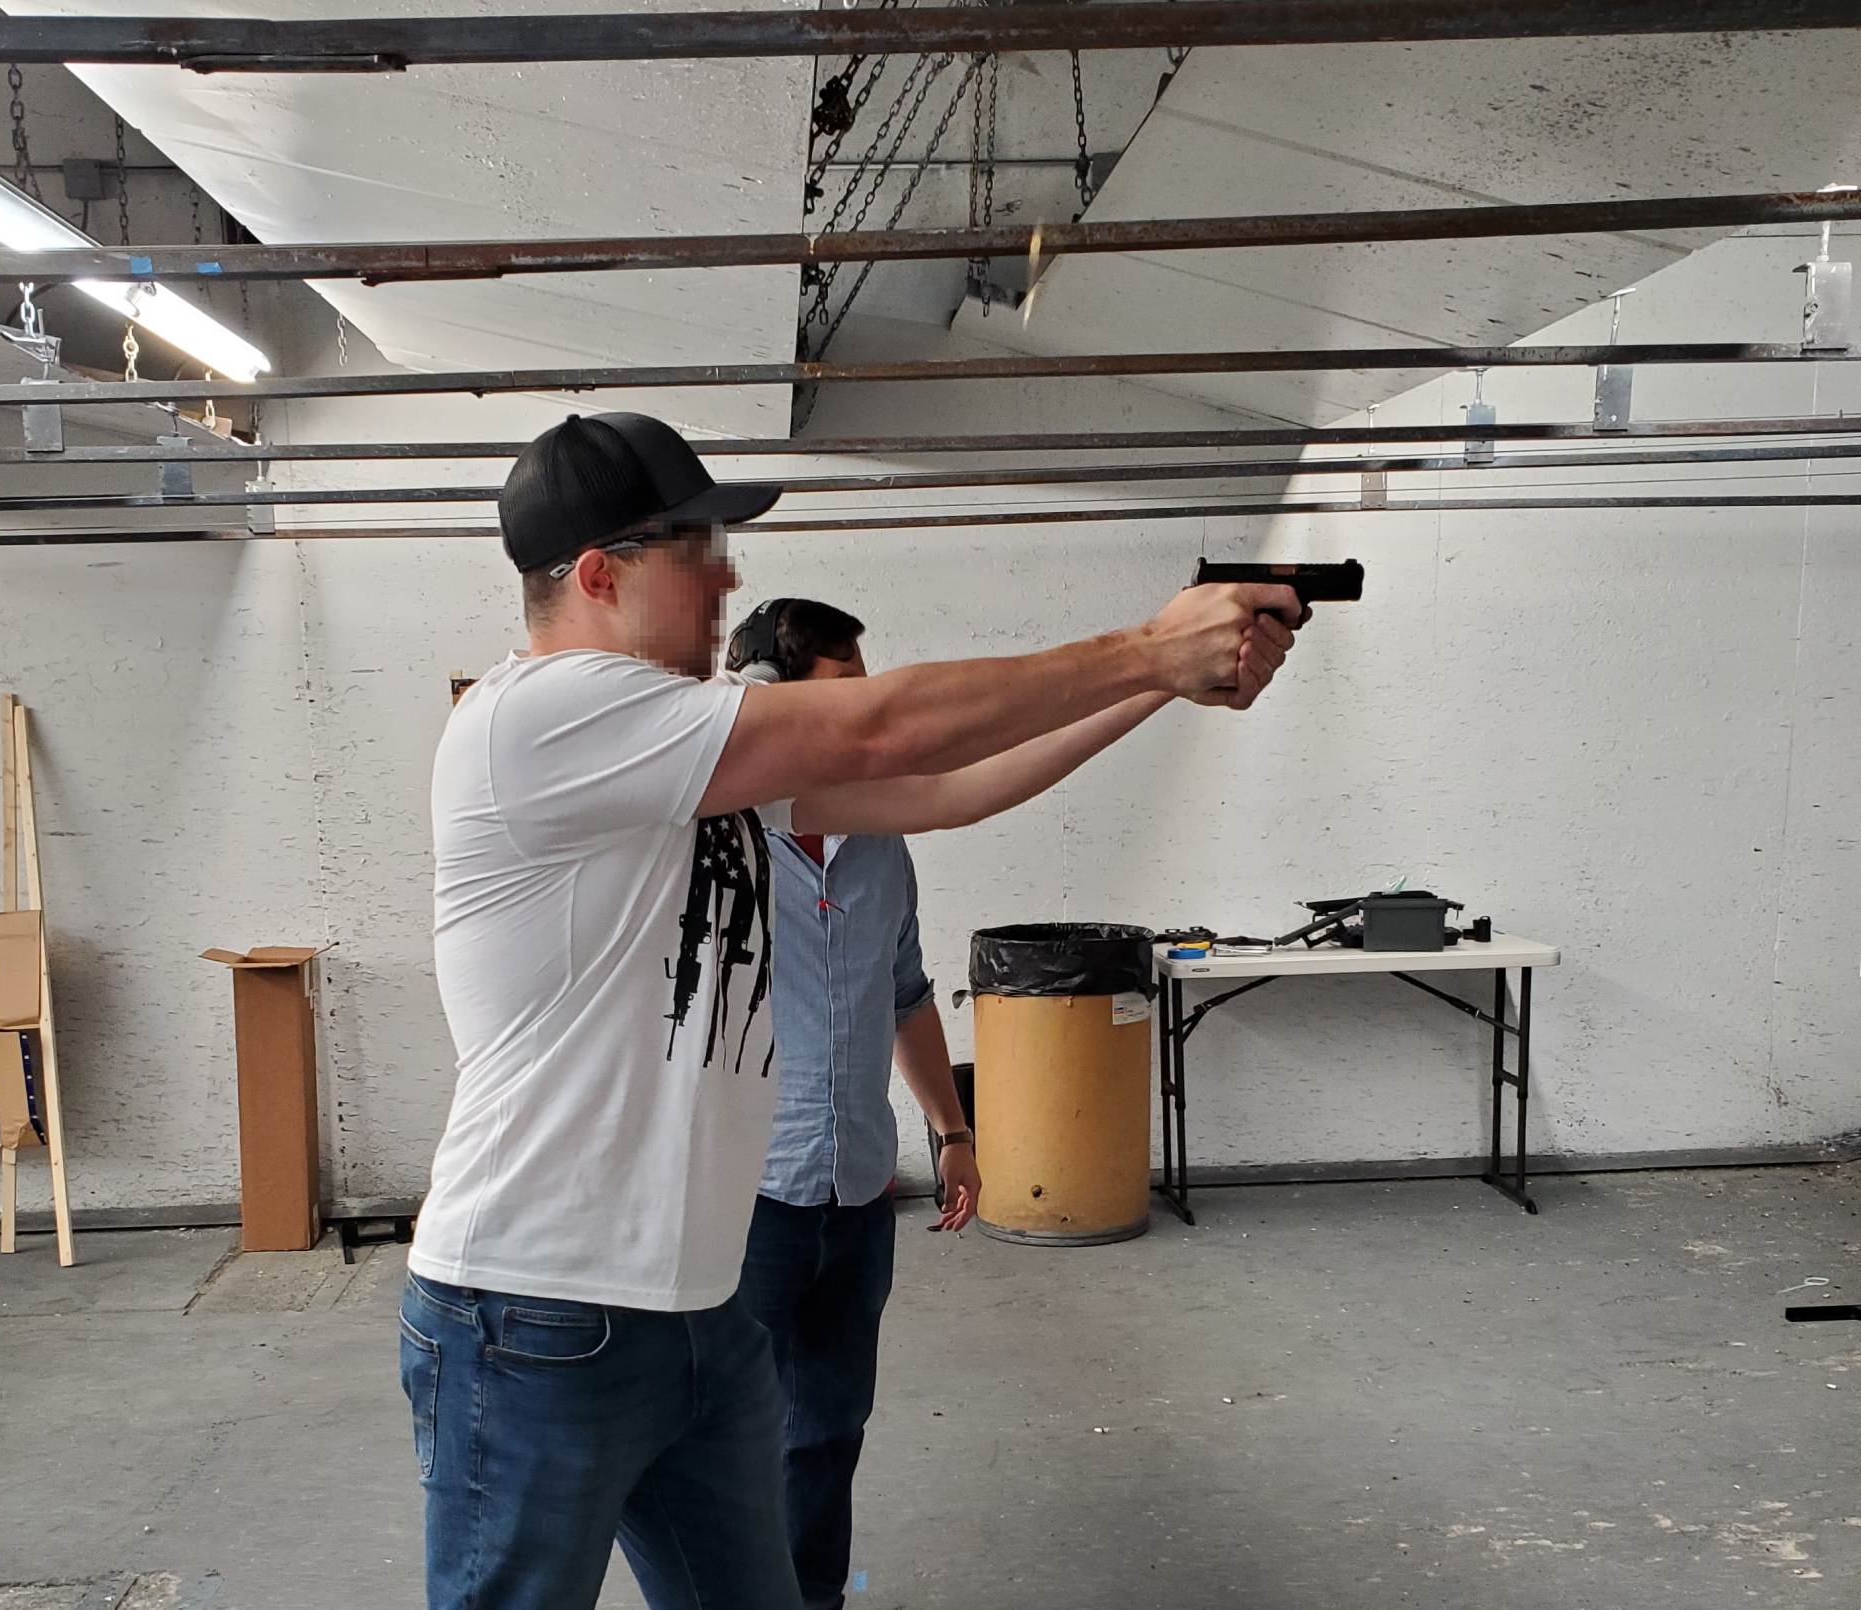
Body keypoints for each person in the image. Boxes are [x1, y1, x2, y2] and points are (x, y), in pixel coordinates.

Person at [399, 409, 1303, 1610]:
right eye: (696, 547)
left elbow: (937, 787)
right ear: (600, 575)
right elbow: (883, 721)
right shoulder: (536, 717)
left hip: (693, 1311)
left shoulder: (683, 754)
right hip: (533, 1312)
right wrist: (1144, 646)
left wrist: (1162, 688)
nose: (727, 574)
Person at [729, 598, 1183, 1610]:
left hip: (854, 1189)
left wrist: (951, 1129)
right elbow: (954, 780)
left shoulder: (881, 841)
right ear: (766, 701)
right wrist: (1150, 662)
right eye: (841, 702)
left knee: (828, 1423)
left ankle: (811, 1594)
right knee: (724, 1429)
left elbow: (902, 991)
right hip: (739, 1199)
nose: (861, 727)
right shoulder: (716, 831)